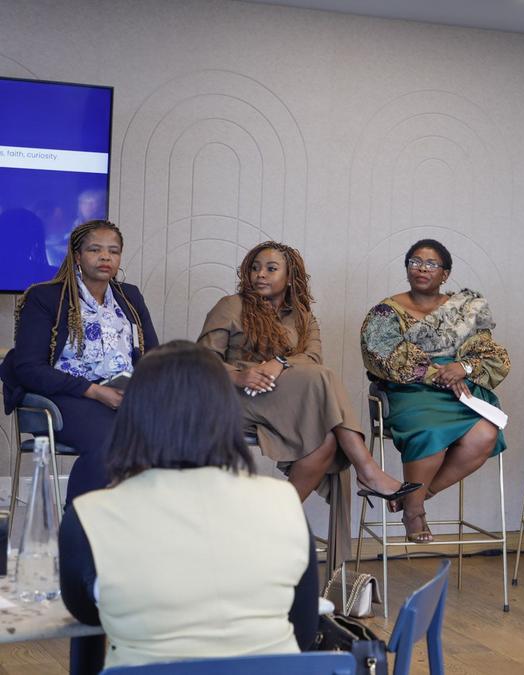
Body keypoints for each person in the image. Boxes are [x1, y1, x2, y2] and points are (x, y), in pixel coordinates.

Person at [60, 341, 317, 671]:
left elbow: (87, 614)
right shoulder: (284, 501)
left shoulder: (90, 515)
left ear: (133, 417)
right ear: (227, 416)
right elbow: (303, 630)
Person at [197, 241, 412, 507]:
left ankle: (278, 517)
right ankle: (368, 471)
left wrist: (279, 362)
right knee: (323, 377)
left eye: (271, 268)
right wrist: (240, 377)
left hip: (282, 403)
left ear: (290, 277)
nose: (260, 274)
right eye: (255, 268)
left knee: (327, 440)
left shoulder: (303, 317)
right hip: (234, 397)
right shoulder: (231, 305)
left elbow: (312, 357)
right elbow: (201, 360)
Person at [360, 239, 509, 543]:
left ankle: (414, 497)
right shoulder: (386, 311)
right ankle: (415, 513)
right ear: (407, 269)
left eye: (431, 264)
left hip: (458, 391)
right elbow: (381, 355)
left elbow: (491, 354)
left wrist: (463, 368)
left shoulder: (465, 308)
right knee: (430, 430)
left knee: (485, 434)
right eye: (415, 262)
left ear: (445, 273)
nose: (422, 269)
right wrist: (439, 374)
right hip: (409, 391)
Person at [0, 219, 158, 502]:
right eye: (95, 249)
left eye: (113, 251)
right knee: (114, 440)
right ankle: (80, 522)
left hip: (124, 396)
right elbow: (28, 368)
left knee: (171, 434)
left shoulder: (130, 296)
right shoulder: (45, 297)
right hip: (66, 395)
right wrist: (94, 391)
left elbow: (154, 357)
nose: (105, 257)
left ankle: (134, 519)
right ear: (77, 256)